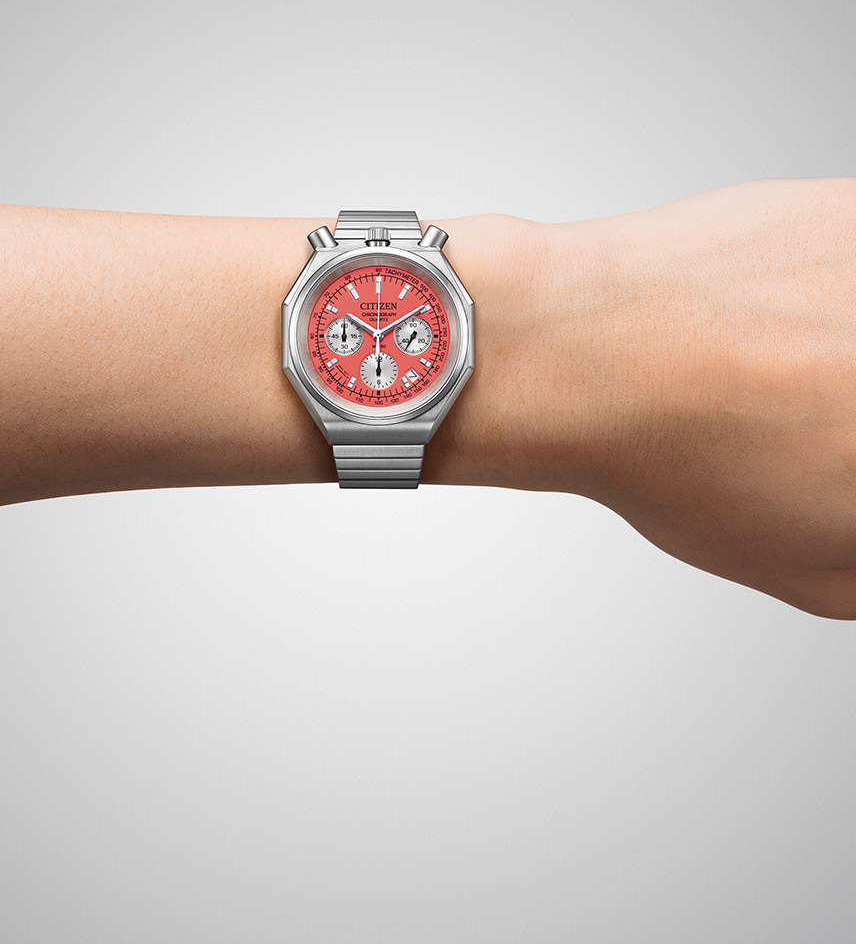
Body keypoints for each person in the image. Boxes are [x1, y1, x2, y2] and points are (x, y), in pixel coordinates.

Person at [2, 177, 855, 620]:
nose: (375, 344)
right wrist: (579, 345)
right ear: (303, 325)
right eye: (357, 336)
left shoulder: (371, 325)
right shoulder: (319, 336)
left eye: (396, 335)